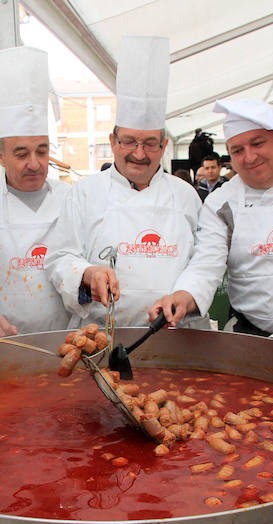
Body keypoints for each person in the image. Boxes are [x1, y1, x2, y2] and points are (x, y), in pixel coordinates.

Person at [44, 35, 207, 328]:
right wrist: (87, 272)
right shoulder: (83, 193)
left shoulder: (186, 196)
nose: (139, 154)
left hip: (178, 339)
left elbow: (204, 261)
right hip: (102, 337)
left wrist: (188, 294)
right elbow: (59, 257)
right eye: (129, 141)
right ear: (113, 141)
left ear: (164, 145)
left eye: (149, 144)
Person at [150, 99, 273, 335]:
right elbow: (206, 265)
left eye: (257, 143)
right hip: (255, 333)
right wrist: (182, 296)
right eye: (238, 150)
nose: (250, 157)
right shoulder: (221, 203)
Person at [0, 46, 71, 336]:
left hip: (68, 341)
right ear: (0, 156)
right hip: (5, 347)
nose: (34, 164)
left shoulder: (70, 198)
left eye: (42, 152)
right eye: (21, 154)